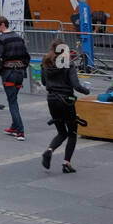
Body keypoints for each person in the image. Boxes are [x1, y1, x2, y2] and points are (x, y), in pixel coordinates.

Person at [41, 40, 90, 173]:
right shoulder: (69, 64)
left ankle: (49, 150)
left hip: (51, 99)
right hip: (66, 100)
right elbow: (76, 85)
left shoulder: (45, 62)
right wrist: (86, 90)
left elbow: (44, 82)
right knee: (72, 132)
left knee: (61, 132)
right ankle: (66, 163)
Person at [0, 15, 30, 140]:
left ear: (3, 25)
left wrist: (0, 70)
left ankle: (20, 131)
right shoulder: (18, 37)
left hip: (8, 72)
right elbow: (27, 56)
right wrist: (23, 67)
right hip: (19, 72)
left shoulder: (0, 39)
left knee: (12, 102)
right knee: (13, 98)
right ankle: (14, 127)